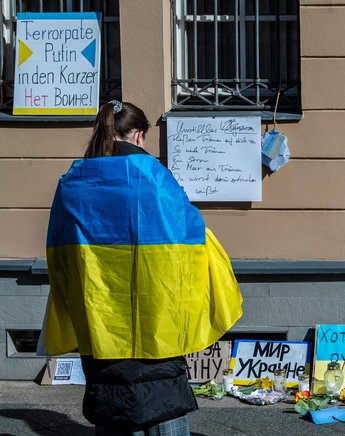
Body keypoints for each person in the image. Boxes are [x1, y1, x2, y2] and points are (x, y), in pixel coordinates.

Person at [38, 100, 243, 435]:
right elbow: (191, 240)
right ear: (138, 135)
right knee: (163, 406)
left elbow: (60, 255)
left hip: (101, 325)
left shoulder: (73, 183)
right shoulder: (155, 179)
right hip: (157, 323)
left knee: (112, 410)